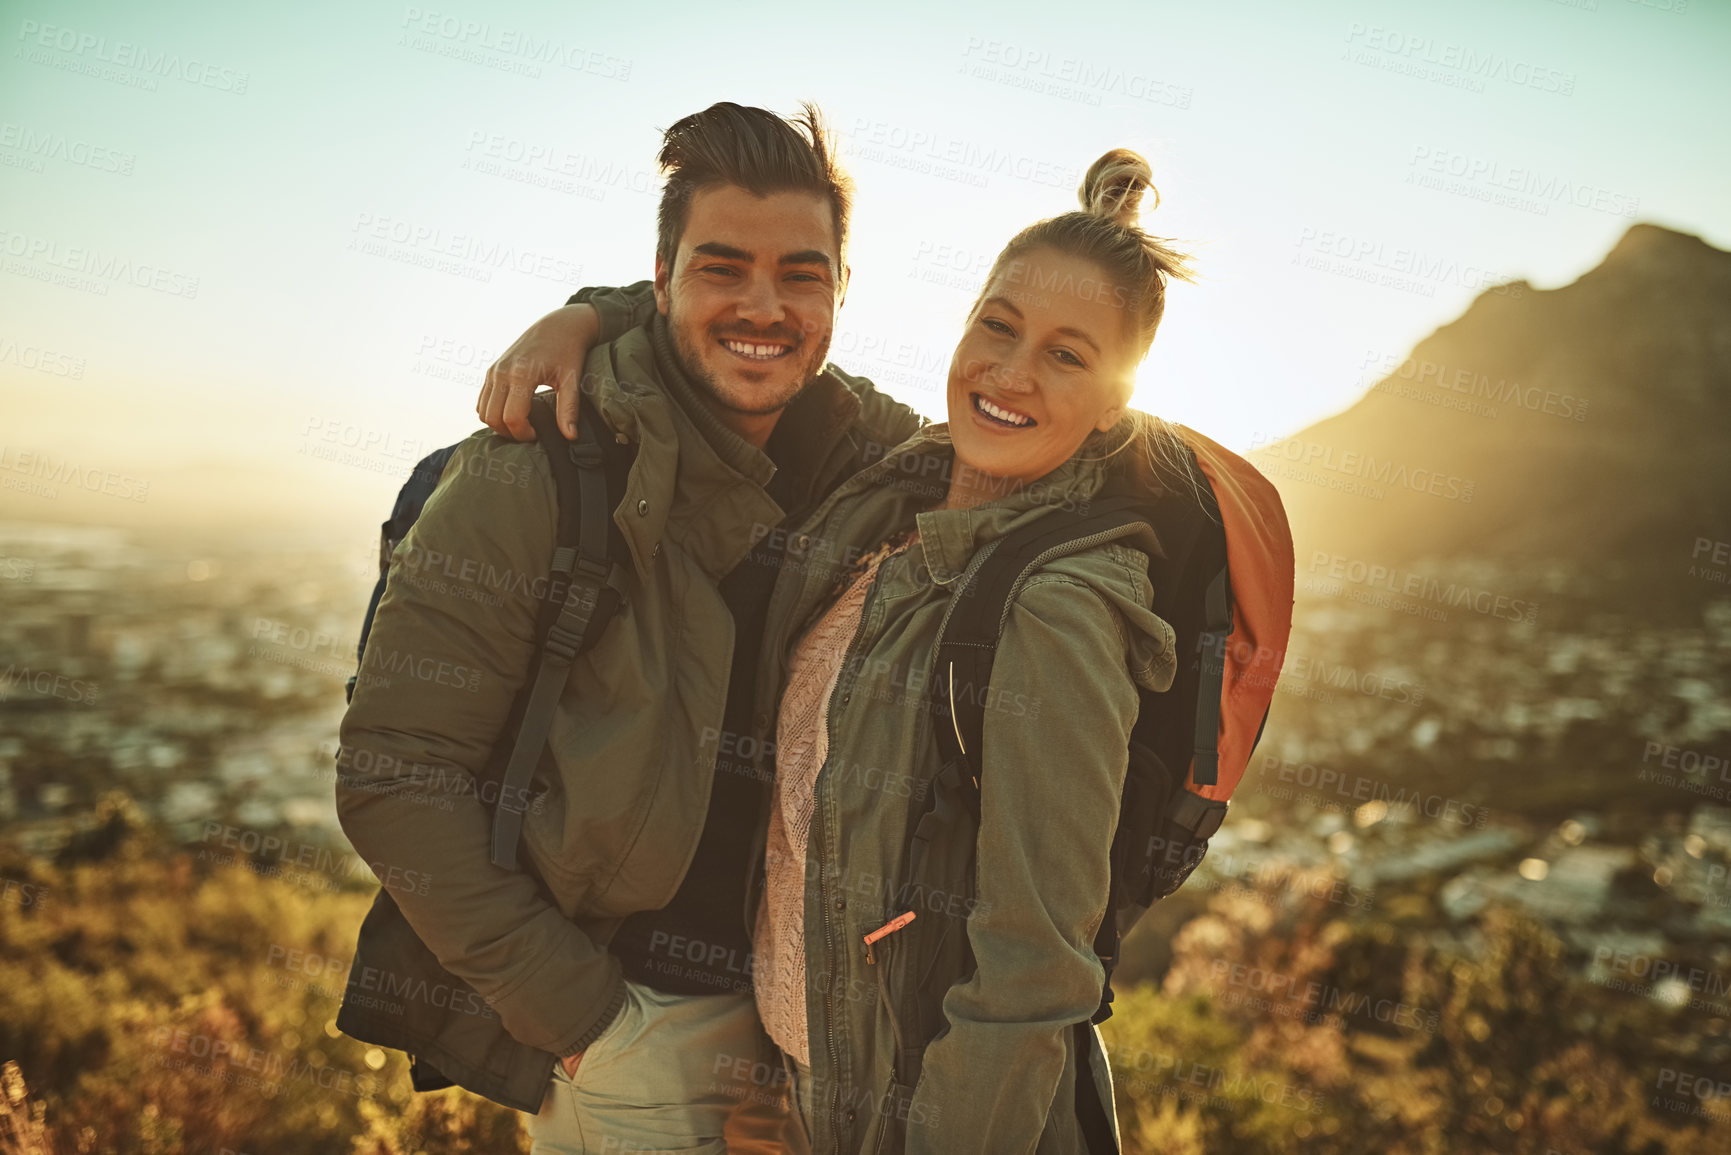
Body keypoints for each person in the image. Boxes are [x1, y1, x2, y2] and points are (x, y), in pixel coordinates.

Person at [482, 150, 1198, 1152]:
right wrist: (587, 316)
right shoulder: (887, 488)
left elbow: (1034, 977)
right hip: (814, 1098)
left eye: (1068, 356)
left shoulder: (1060, 610)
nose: (1011, 372)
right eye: (998, 324)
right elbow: (734, 329)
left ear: (1116, 399)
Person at [334, 101, 922, 1155]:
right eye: (720, 268)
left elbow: (1018, 430)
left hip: (811, 1036)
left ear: (840, 292)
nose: (763, 306)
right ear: (661, 283)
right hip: (630, 1025)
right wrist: (583, 1021)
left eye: (802, 274)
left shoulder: (869, 455)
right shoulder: (534, 468)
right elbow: (394, 770)